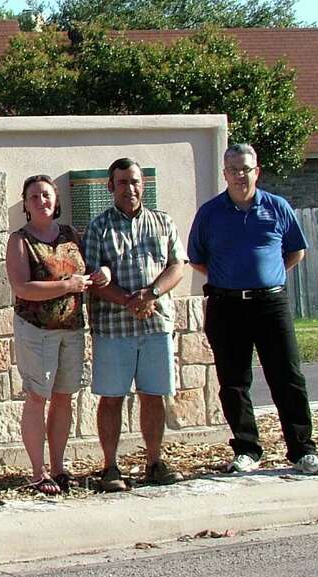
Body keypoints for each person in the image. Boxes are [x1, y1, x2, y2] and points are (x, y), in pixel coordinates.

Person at [187, 143, 318, 475]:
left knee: (288, 377)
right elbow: (198, 259)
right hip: (226, 305)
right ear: (224, 174)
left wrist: (267, 278)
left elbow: (296, 252)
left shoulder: (277, 207)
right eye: (233, 169)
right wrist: (232, 281)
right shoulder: (209, 213)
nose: (239, 175)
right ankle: (247, 449)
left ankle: (302, 450)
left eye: (245, 169)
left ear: (257, 171)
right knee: (233, 382)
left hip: (270, 304)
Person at [83, 158, 186, 492]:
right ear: (111, 186)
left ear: (144, 185)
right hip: (114, 329)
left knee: (153, 396)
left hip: (155, 326)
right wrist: (130, 301)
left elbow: (176, 266)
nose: (131, 188)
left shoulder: (163, 222)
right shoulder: (99, 228)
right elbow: (94, 277)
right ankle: (110, 467)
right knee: (111, 398)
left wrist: (151, 294)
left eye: (136, 181)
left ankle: (154, 462)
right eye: (123, 182)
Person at [6, 175, 109, 495]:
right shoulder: (20, 241)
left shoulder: (70, 235)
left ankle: (59, 467)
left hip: (72, 329)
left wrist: (102, 273)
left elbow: (88, 269)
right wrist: (67, 286)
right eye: (34, 196)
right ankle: (38, 473)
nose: (41, 201)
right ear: (25, 203)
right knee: (38, 397)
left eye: (46, 195)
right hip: (37, 332)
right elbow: (22, 287)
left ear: (56, 200)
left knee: (64, 397)